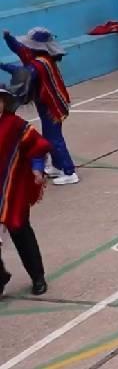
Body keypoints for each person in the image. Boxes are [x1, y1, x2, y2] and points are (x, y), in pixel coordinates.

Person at [2, 28, 78, 186]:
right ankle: (58, 167)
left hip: (54, 107)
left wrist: (2, 66)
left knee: (54, 139)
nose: (25, 47)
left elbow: (22, 72)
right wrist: (8, 37)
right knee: (49, 137)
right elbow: (19, 48)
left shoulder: (40, 64)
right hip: (47, 104)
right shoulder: (37, 56)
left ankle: (69, 172)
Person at [0, 83, 50, 297]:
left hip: (13, 189)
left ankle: (37, 276)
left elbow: (37, 146)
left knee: (20, 231)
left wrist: (38, 169)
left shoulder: (15, 125)